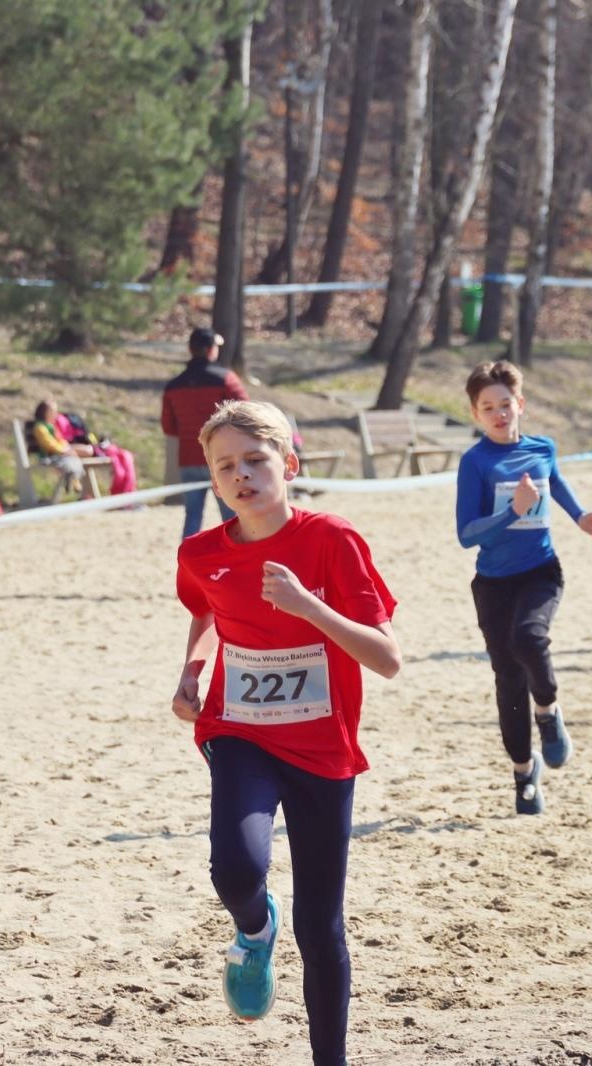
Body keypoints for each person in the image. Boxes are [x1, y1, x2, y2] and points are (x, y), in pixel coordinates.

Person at [171, 400, 400, 1066]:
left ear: (289, 465)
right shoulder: (200, 553)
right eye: (226, 466)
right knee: (236, 868)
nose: (241, 475)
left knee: (321, 925)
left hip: (323, 749)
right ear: (214, 483)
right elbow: (208, 610)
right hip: (240, 731)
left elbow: (387, 659)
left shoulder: (332, 540)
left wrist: (308, 605)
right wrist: (192, 671)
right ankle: (252, 927)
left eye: (255, 460)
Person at [457, 360, 592, 815]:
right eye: (489, 408)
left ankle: (549, 709)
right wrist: (512, 511)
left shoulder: (543, 448)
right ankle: (524, 773)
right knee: (507, 680)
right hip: (493, 583)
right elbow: (467, 534)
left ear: (520, 404)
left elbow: (555, 483)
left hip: (541, 570)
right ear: (475, 414)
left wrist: (581, 516)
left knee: (530, 638)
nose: (500, 414)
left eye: (506, 404)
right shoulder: (475, 462)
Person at [162, 327, 249, 538]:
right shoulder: (227, 379)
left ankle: (188, 564)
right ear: (211, 350)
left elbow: (169, 427)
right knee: (231, 516)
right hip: (224, 458)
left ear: (190, 349)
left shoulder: (174, 386)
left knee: (192, 516)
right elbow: (249, 416)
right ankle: (237, 560)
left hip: (189, 459)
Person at [29, 400, 104, 499]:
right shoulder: (40, 427)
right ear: (45, 412)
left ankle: (76, 481)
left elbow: (60, 440)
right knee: (74, 457)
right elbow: (49, 444)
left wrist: (67, 448)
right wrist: (64, 450)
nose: (55, 414)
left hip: (60, 451)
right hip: (50, 455)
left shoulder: (51, 426)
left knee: (79, 454)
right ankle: (75, 480)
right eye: (52, 411)